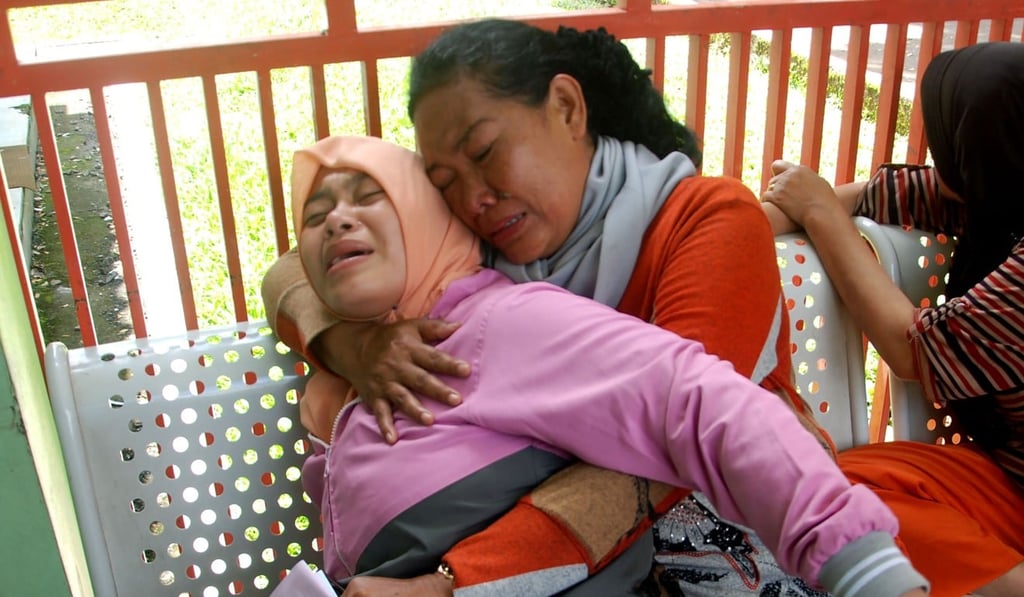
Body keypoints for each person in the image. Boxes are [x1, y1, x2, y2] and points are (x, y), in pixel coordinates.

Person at [262, 19, 835, 595]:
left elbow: (670, 453)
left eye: (484, 152)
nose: (473, 198)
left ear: (565, 108)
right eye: (444, 182)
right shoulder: (490, 242)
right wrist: (356, 346)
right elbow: (293, 270)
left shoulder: (707, 220)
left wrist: (452, 582)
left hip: (732, 535)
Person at [287, 133, 929, 597]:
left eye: (372, 197)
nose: (336, 220)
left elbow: (692, 404)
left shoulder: (499, 323)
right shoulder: (362, 360)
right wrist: (345, 342)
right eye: (315, 218)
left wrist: (858, 558)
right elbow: (287, 275)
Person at [762, 41, 1024, 597]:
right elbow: (867, 196)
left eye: (948, 137)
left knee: (849, 502)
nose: (935, 152)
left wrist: (818, 212)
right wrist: (737, 232)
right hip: (1007, 472)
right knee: (839, 485)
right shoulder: (999, 190)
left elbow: (914, 353)